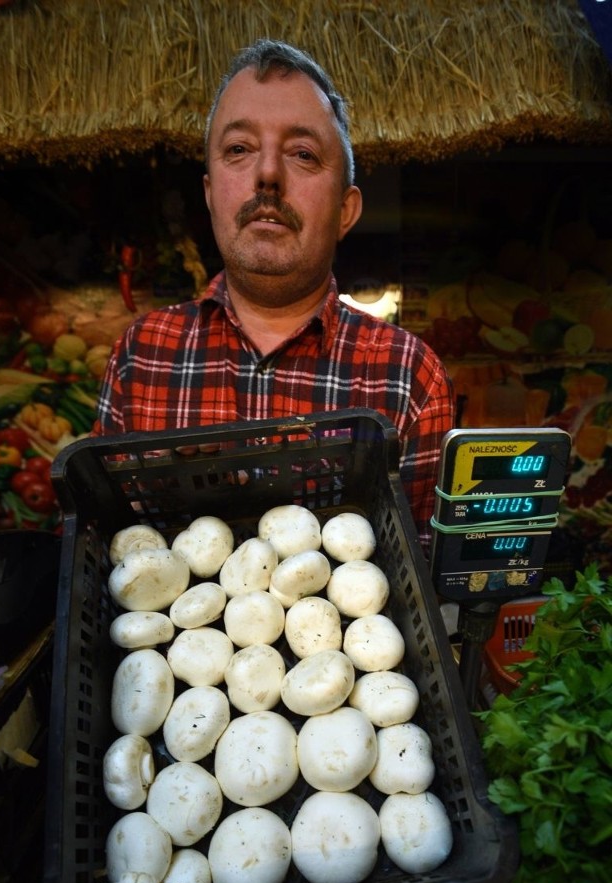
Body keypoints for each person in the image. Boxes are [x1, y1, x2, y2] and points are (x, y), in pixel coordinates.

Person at [95, 38, 454, 551]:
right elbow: (107, 552)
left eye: (303, 154)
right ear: (210, 194)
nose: (267, 174)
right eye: (239, 150)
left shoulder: (407, 376)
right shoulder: (143, 355)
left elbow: (419, 580)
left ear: (346, 211)